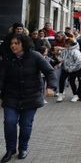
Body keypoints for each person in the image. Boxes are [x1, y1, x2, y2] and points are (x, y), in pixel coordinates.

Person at [0, 34, 56, 162]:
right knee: (9, 122)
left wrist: (51, 87)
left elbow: (50, 71)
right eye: (12, 43)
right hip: (11, 97)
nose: (13, 46)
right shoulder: (7, 58)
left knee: (25, 125)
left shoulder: (35, 56)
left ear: (24, 44)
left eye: (17, 43)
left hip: (31, 97)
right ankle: (10, 149)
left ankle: (23, 148)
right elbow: (1, 77)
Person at [57, 38, 81, 102]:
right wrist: (60, 60)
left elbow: (78, 61)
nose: (65, 45)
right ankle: (61, 94)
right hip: (65, 68)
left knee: (72, 82)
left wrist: (72, 68)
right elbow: (61, 57)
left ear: (69, 44)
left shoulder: (76, 52)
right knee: (61, 80)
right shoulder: (65, 50)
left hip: (73, 70)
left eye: (66, 43)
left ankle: (75, 95)